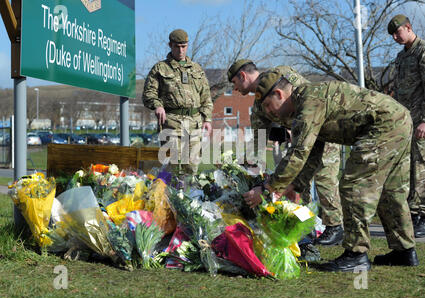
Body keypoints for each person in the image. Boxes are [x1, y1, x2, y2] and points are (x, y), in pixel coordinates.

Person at [243, 70, 419, 271]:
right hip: (398, 118)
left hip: (383, 125)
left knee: (353, 185)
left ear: (280, 94)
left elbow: (299, 151)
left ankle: (356, 255)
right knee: (391, 191)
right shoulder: (306, 103)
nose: (268, 112)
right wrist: (296, 185)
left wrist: (268, 188)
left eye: (267, 105)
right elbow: (313, 152)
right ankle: (404, 251)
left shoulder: (308, 101)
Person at [227, 60, 344, 246]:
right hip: (300, 140)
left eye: (234, 83)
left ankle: (335, 226)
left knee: (324, 175)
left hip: (320, 129)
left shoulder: (281, 73)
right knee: (298, 182)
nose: (234, 89)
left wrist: (297, 126)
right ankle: (307, 225)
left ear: (242, 76)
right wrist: (245, 164)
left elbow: (307, 98)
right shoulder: (258, 105)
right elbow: (258, 136)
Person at [142, 29, 213, 175]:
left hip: (194, 124)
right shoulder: (160, 68)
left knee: (192, 168)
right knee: (172, 168)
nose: (181, 50)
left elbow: (206, 97)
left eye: (184, 46)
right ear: (170, 45)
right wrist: (158, 105)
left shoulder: (197, 69)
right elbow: (149, 93)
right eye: (177, 46)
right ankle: (169, 197)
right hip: (171, 124)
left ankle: (189, 196)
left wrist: (207, 118)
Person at [388, 14, 425, 238]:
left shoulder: (422, 51)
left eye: (397, 32)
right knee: (409, 167)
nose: (394, 37)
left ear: (408, 27)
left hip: (420, 120)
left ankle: (421, 214)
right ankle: (412, 212)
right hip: (405, 121)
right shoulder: (401, 57)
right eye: (392, 34)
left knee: (420, 166)